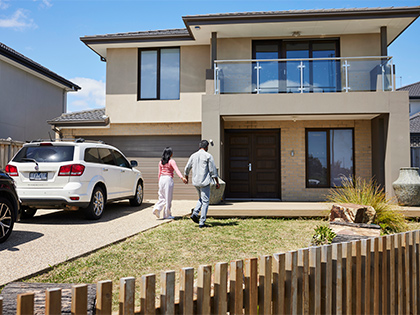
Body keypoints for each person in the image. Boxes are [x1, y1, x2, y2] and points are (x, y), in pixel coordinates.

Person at [184, 140, 220, 228]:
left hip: (196, 182)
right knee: (205, 201)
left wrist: (186, 177)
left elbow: (187, 167)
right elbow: (212, 170)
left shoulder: (193, 156)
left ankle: (195, 213)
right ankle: (202, 222)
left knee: (202, 198)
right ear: (206, 146)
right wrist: (217, 182)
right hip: (204, 182)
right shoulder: (208, 156)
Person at [153, 147, 187, 219]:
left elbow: (159, 172)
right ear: (170, 154)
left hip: (161, 179)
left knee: (161, 196)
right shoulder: (171, 161)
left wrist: (159, 182)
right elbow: (176, 170)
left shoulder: (161, 162)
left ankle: (157, 208)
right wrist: (182, 178)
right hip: (168, 179)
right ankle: (167, 215)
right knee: (168, 198)